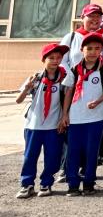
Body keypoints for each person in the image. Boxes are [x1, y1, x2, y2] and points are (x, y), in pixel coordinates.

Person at [60, 32, 103, 196]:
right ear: (81, 50)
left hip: (96, 117)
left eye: (97, 48)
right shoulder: (74, 69)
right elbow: (68, 92)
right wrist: (65, 114)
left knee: (92, 151)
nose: (93, 52)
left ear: (101, 50)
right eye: (89, 48)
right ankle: (73, 183)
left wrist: (98, 101)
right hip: (76, 117)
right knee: (73, 151)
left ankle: (89, 182)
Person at [16, 42, 69, 198]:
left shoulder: (64, 79)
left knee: (53, 157)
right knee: (30, 156)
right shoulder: (36, 78)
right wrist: (27, 88)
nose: (55, 61)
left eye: (58, 58)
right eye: (51, 58)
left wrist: (64, 117)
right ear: (43, 60)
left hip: (53, 126)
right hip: (34, 125)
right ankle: (27, 184)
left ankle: (46, 183)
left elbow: (67, 99)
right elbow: (19, 100)